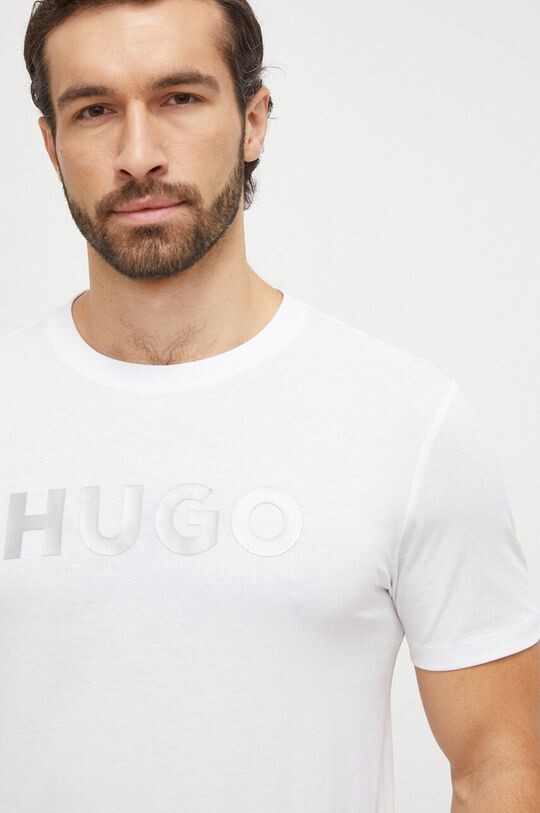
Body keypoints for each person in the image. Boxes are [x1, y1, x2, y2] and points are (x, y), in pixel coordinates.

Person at [1, 1, 538, 811]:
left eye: (180, 98)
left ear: (252, 122)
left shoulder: (405, 419)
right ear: (51, 145)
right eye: (95, 110)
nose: (138, 155)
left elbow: (501, 765)